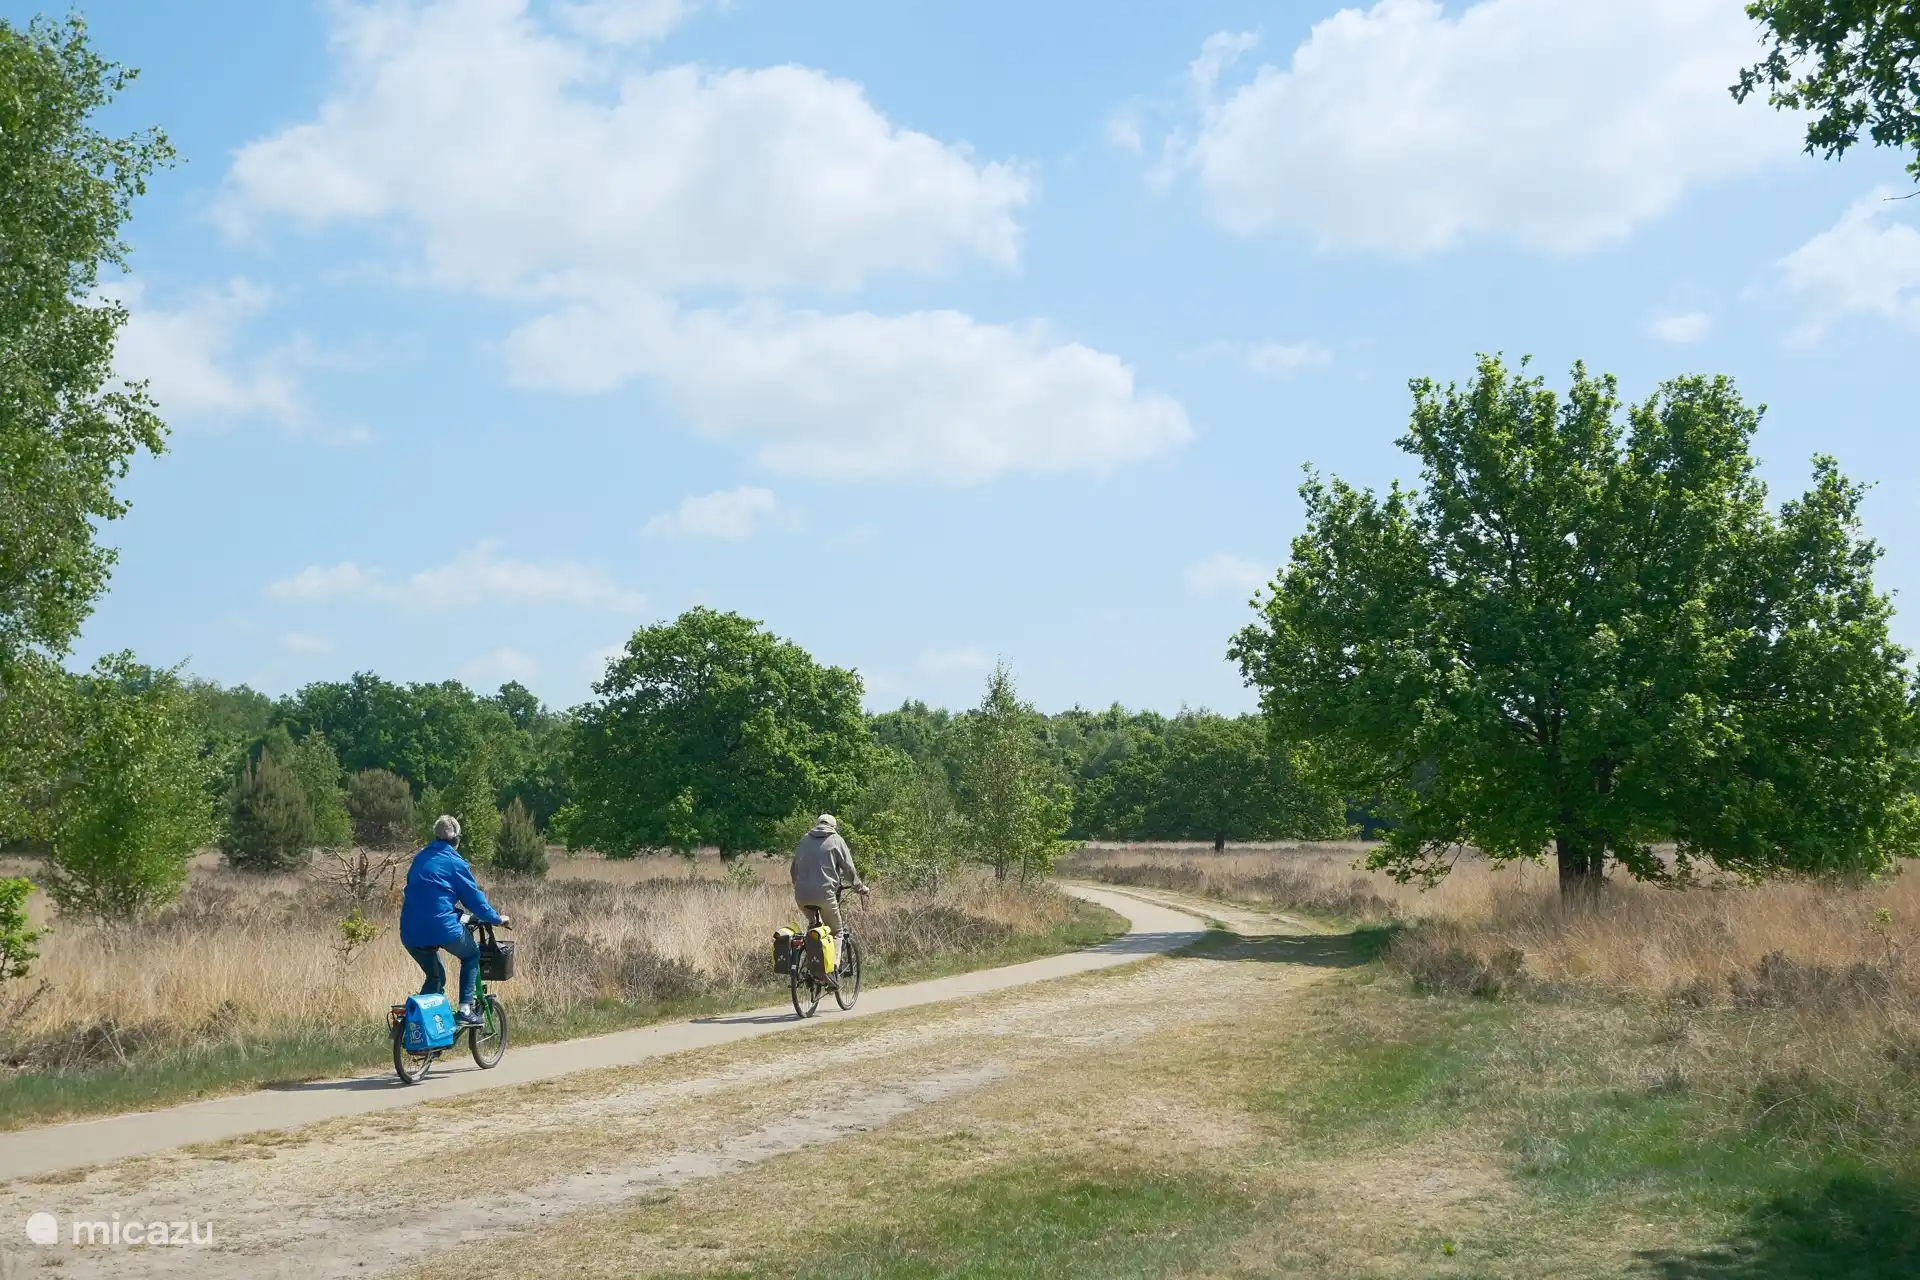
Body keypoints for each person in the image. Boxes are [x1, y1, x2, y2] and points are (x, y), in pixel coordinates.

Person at [399, 815, 507, 1026]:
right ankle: (465, 1009)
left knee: (435, 977)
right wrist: (496, 918)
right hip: (442, 927)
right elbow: (474, 899)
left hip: (410, 930)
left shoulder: (420, 858)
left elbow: (424, 893)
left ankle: (418, 1025)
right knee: (471, 955)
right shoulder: (455, 862)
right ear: (457, 839)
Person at [790, 813, 868, 943]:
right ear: (833, 826)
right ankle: (833, 957)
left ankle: (810, 949)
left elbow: (793, 869)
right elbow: (848, 868)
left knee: (814, 926)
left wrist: (801, 885)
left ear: (817, 824)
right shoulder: (836, 839)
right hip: (825, 895)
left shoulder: (805, 839)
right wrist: (859, 887)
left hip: (801, 896)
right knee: (836, 933)